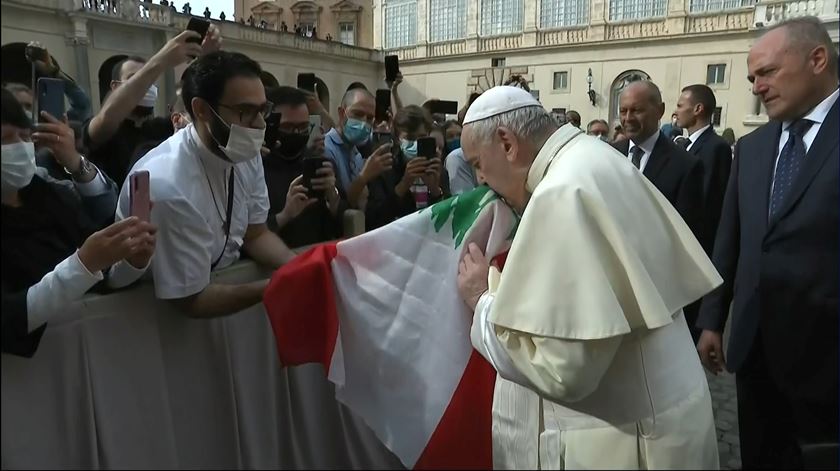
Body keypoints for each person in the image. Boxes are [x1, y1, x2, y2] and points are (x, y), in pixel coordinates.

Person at [456, 85, 721, 469]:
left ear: (507, 142)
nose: (480, 179)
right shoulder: (594, 155)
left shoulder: (560, 192)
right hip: (668, 415)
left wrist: (482, 300)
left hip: (628, 440)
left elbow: (562, 372)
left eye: (478, 162)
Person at [697, 17, 839, 469]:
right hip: (754, 354)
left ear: (817, 59)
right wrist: (713, 320)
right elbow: (730, 239)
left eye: (768, 72)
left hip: (828, 364)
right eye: (752, 77)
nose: (757, 86)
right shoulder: (754, 147)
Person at [115, 51, 297, 319]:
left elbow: (255, 234)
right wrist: (275, 287)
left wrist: (299, 268)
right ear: (202, 110)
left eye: (263, 110)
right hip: (154, 321)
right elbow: (190, 300)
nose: (259, 125)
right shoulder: (166, 184)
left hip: (226, 303)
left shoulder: (243, 151)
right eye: (246, 111)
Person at [1, 88, 156, 357]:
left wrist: (133, 260)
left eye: (25, 137)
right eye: (5, 139)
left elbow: (103, 275)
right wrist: (81, 266)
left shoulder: (48, 195)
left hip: (90, 356)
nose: (18, 147)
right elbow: (10, 319)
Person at [83, 26, 221, 187]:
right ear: (115, 86)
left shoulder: (164, 127)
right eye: (135, 78)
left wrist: (205, 60)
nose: (146, 86)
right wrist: (161, 61)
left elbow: (191, 100)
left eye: (151, 80)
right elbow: (106, 118)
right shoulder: (102, 130)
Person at [611, 81, 704, 242]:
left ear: (660, 111)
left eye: (637, 110)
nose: (627, 118)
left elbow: (688, 236)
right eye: (623, 111)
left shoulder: (686, 166)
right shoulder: (609, 154)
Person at [263, 86, 344, 248]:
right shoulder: (255, 166)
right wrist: (285, 215)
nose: (296, 133)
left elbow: (344, 223)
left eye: (303, 127)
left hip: (317, 259)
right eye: (287, 127)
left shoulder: (319, 164)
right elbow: (248, 235)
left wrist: (332, 196)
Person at [674, 84, 733, 257]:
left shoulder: (716, 147)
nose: (676, 112)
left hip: (697, 246)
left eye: (680, 106)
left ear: (697, 109)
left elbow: (709, 203)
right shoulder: (684, 145)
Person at [364, 105, 446, 230]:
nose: (416, 142)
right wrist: (403, 185)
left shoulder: (437, 169)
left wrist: (435, 190)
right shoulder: (385, 169)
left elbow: (449, 220)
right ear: (397, 139)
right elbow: (374, 220)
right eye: (410, 138)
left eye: (422, 137)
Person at [324, 88, 386, 210]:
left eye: (369, 118)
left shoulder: (356, 153)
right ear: (342, 113)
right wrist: (363, 177)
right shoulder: (326, 149)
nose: (363, 122)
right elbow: (337, 206)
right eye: (357, 114)